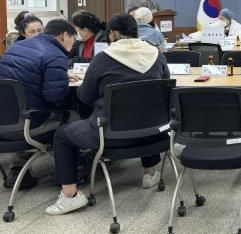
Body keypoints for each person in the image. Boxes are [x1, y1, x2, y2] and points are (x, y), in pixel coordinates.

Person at [46, 14, 170, 216]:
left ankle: (70, 196)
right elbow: (164, 89)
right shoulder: (157, 55)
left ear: (112, 33)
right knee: (142, 107)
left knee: (62, 135)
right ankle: (149, 173)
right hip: (153, 134)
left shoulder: (103, 59)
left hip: (110, 134)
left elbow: (85, 97)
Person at [0, 19, 78, 189]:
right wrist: (62, 83)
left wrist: (58, 76)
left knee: (25, 109)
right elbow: (54, 97)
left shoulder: (15, 47)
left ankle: (18, 168)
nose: (73, 44)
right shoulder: (56, 55)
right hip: (28, 125)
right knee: (73, 116)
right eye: (73, 38)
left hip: (4, 122)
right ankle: (70, 173)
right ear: (65, 35)